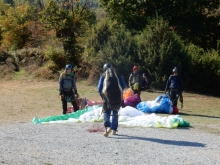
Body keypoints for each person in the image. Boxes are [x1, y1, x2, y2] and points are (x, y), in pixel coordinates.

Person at [98, 63, 126, 137]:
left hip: (107, 96)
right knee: (115, 111)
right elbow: (123, 85)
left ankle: (108, 127)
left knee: (106, 111)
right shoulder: (117, 74)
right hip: (117, 96)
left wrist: (102, 95)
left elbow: (99, 88)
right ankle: (114, 129)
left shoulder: (103, 75)